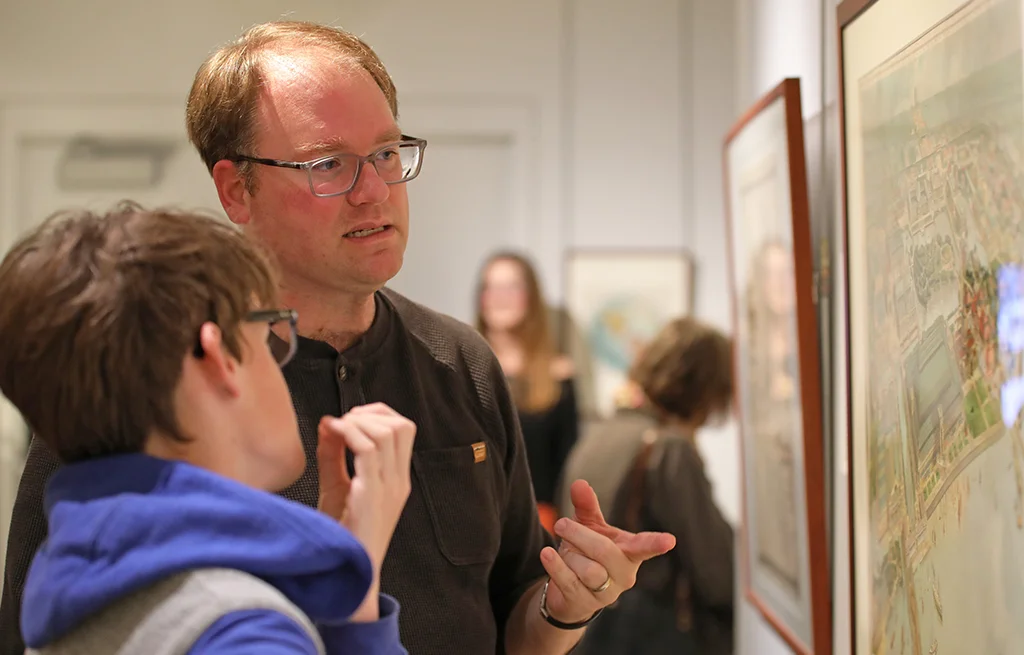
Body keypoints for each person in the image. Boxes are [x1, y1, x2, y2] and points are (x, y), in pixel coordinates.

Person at [0, 20, 676, 655]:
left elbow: (510, 620)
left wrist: (567, 602)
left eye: (386, 152)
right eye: (328, 164)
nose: (374, 191)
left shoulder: (462, 362)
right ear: (237, 191)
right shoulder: (147, 375)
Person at [0, 204, 414, 653]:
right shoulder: (240, 634)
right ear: (220, 357)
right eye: (267, 338)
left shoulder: (82, 587)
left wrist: (353, 593)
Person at [575, 317, 736, 655]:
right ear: (704, 390)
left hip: (595, 631)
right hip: (656, 636)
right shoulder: (669, 449)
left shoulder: (602, 431)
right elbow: (719, 574)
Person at [475, 251, 579, 533]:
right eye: (491, 287)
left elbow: (566, 468)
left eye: (512, 287)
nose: (500, 297)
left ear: (530, 296)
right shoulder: (460, 369)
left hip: (537, 526)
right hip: (473, 519)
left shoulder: (559, 376)